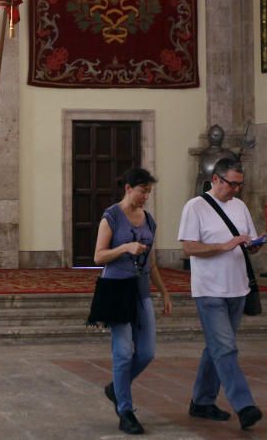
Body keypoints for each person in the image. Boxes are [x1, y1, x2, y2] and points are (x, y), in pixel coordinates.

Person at [177, 157, 264, 431]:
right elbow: (189, 248)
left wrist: (253, 245)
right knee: (225, 347)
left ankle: (201, 402)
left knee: (216, 347)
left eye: (240, 184)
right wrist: (224, 246)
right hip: (209, 290)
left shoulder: (240, 206)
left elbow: (245, 239)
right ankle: (245, 405)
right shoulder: (196, 207)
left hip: (238, 288)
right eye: (232, 183)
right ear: (216, 179)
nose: (236, 189)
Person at [93, 167, 173, 435]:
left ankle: (116, 388)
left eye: (149, 192)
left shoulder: (149, 221)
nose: (145, 197)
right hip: (116, 289)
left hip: (140, 291)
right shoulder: (112, 217)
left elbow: (151, 262)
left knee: (147, 352)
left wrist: (163, 291)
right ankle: (125, 410)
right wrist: (125, 247)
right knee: (123, 352)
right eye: (142, 191)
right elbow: (98, 257)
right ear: (128, 188)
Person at [194, 124, 237, 194]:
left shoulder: (228, 155)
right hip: (206, 188)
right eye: (214, 135)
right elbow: (200, 177)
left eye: (217, 135)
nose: (215, 137)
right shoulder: (204, 154)